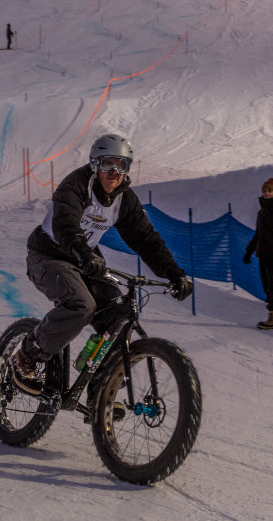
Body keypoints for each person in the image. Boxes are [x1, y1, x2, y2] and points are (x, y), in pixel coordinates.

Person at [11, 134, 193, 395]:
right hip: (48, 255)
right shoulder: (76, 185)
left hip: (86, 259)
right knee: (81, 306)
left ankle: (101, 392)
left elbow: (146, 240)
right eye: (108, 164)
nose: (114, 172)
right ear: (95, 164)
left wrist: (174, 273)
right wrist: (84, 254)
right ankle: (29, 354)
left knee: (117, 317)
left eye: (122, 165)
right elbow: (66, 225)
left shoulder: (124, 199)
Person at [243, 178, 273, 330]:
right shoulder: (262, 212)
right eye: (264, 190)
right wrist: (249, 251)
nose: (266, 193)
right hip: (263, 254)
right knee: (267, 286)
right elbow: (259, 234)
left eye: (270, 191)